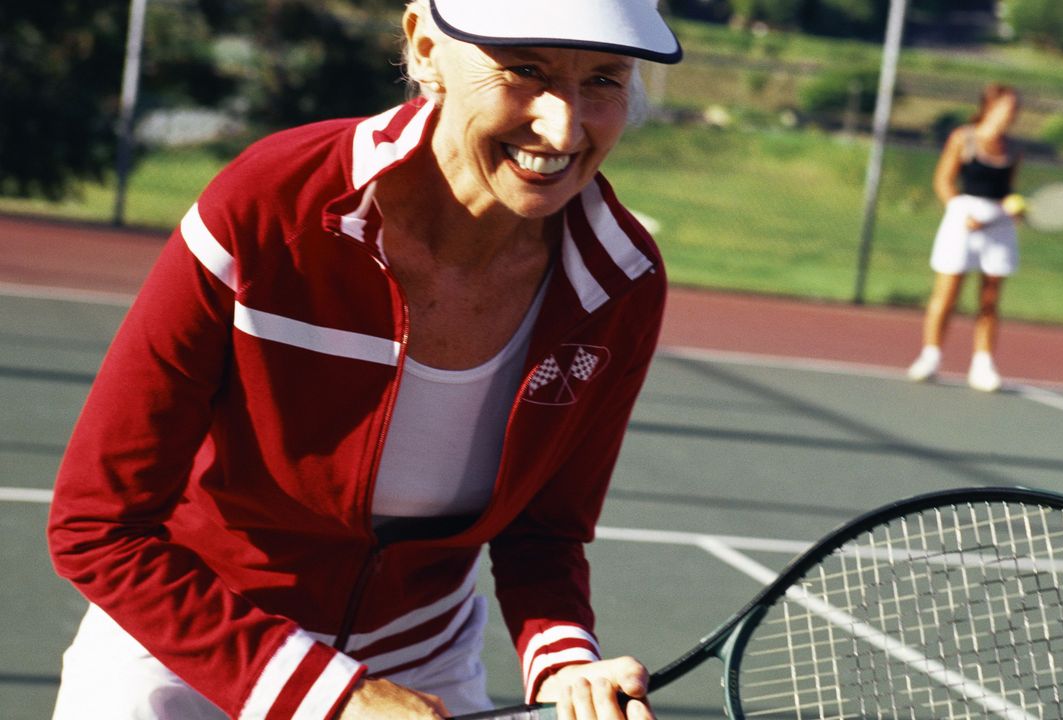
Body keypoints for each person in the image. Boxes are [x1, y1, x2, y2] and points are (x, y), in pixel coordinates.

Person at [46, 1, 682, 719]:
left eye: (604, 79)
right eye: (525, 70)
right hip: (190, 642)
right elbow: (97, 527)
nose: (564, 127)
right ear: (425, 48)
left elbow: (545, 533)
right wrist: (338, 697)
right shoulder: (266, 207)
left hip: (421, 653)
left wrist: (568, 665)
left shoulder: (622, 281)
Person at [906, 83, 1022, 392]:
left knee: (989, 298)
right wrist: (962, 212)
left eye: (1015, 108)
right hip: (961, 222)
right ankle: (930, 356)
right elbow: (943, 180)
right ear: (990, 107)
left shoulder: (1013, 149)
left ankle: (982, 365)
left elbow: (1008, 190)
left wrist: (1013, 208)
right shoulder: (963, 138)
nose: (1012, 113)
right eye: (1007, 107)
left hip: (998, 227)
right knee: (947, 293)